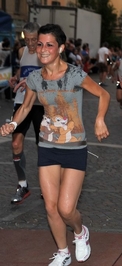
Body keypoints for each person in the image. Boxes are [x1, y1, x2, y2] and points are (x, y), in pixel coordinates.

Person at [1, 24, 110, 265]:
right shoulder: (35, 78)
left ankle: (80, 233)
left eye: (49, 44)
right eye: (39, 44)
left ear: (60, 47)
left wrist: (100, 119)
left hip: (74, 148)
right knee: (51, 207)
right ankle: (63, 252)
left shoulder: (74, 74)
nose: (42, 49)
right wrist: (12, 123)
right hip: (48, 147)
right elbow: (27, 107)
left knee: (66, 209)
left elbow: (104, 95)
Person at [7, 22, 44, 204]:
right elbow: (23, 70)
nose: (30, 44)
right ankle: (23, 185)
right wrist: (16, 78)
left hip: (40, 104)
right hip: (22, 102)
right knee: (15, 143)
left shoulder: (44, 52)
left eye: (34, 40)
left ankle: (47, 185)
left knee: (43, 146)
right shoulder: (21, 52)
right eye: (27, 40)